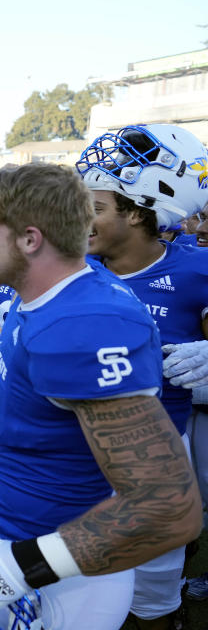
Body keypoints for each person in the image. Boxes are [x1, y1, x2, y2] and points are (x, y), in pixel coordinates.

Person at [0, 163, 201, 630]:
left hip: (63, 567)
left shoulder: (85, 324)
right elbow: (33, 352)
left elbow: (166, 506)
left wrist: (21, 566)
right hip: (23, 534)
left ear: (30, 239)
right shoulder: (44, 294)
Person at [77, 123, 208, 629]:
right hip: (76, 453)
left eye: (95, 205)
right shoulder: (71, 269)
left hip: (155, 456)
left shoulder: (196, 271)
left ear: (136, 212)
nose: (79, 216)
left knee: (153, 600)